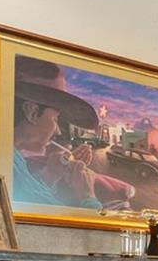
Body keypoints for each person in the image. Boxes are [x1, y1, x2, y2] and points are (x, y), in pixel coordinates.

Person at [9, 56, 101, 209]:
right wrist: (87, 196)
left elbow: (31, 195)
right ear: (32, 112)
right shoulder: (12, 162)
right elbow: (64, 228)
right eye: (56, 118)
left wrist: (52, 173)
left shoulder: (13, 157)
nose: (57, 130)